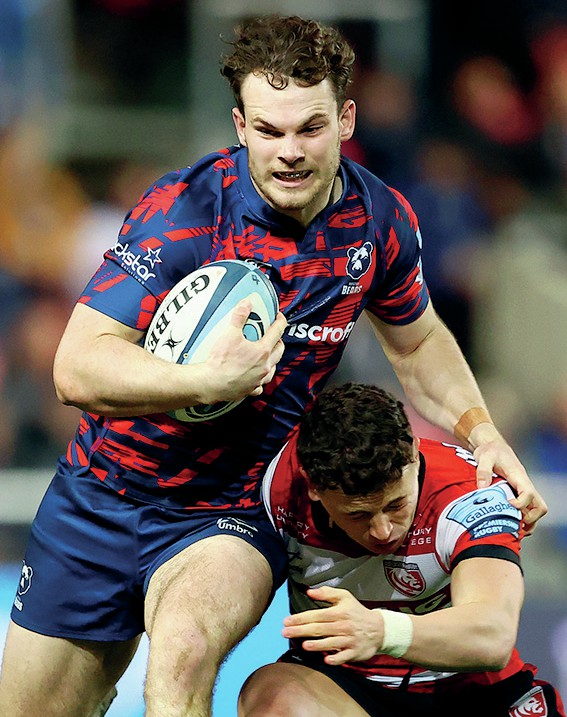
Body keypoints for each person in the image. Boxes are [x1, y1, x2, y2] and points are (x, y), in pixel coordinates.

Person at [0, 15, 546, 717]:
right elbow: (76, 368)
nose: (289, 151)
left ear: (345, 119)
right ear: (240, 125)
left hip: (230, 509)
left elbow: (417, 343)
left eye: (310, 128)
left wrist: (482, 430)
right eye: (268, 129)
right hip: (100, 496)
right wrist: (207, 382)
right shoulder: (185, 212)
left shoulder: (378, 220)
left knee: (183, 653)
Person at [239, 382, 565, 717]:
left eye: (396, 505)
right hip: (345, 686)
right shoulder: (274, 491)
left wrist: (381, 631)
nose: (382, 531)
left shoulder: (473, 495)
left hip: (470, 688)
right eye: (358, 515)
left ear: (413, 453)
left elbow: (492, 636)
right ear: (313, 487)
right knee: (272, 697)